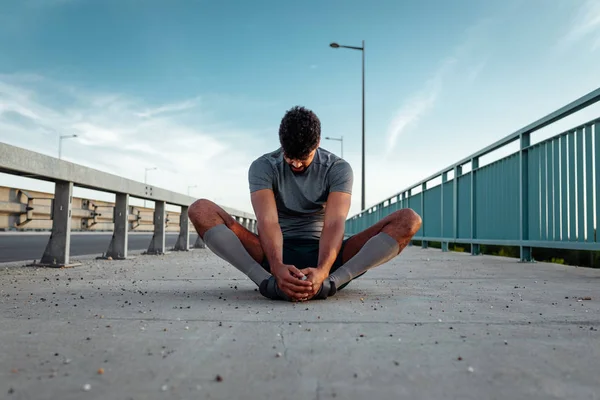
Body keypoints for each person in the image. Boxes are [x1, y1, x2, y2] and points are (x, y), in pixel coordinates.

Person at [188, 106, 422, 302]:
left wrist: (323, 271)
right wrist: (277, 265)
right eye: (290, 157)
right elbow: (268, 221)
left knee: (408, 220)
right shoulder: (263, 166)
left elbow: (333, 223)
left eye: (304, 158)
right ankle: (267, 283)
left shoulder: (338, 168)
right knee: (200, 209)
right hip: (274, 252)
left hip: (326, 254)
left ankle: (330, 284)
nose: (296, 164)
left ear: (317, 143)